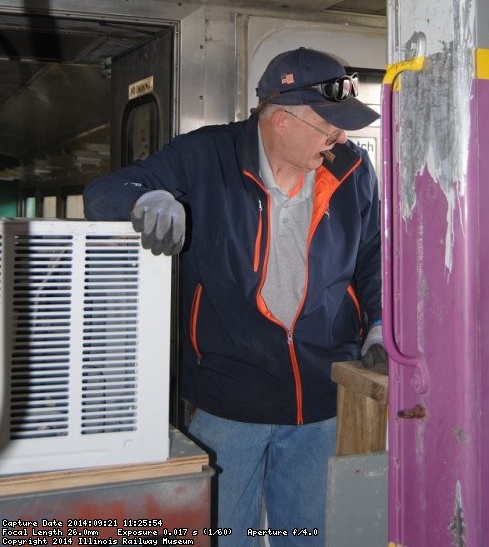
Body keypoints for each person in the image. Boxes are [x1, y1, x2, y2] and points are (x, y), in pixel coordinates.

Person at [83, 46, 385, 546]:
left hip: (320, 402)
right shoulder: (205, 157)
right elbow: (103, 193)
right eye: (329, 124)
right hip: (228, 404)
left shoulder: (352, 171)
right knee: (226, 538)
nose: (340, 137)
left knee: (306, 538)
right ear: (282, 120)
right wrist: (145, 199)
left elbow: (374, 257)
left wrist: (380, 324)